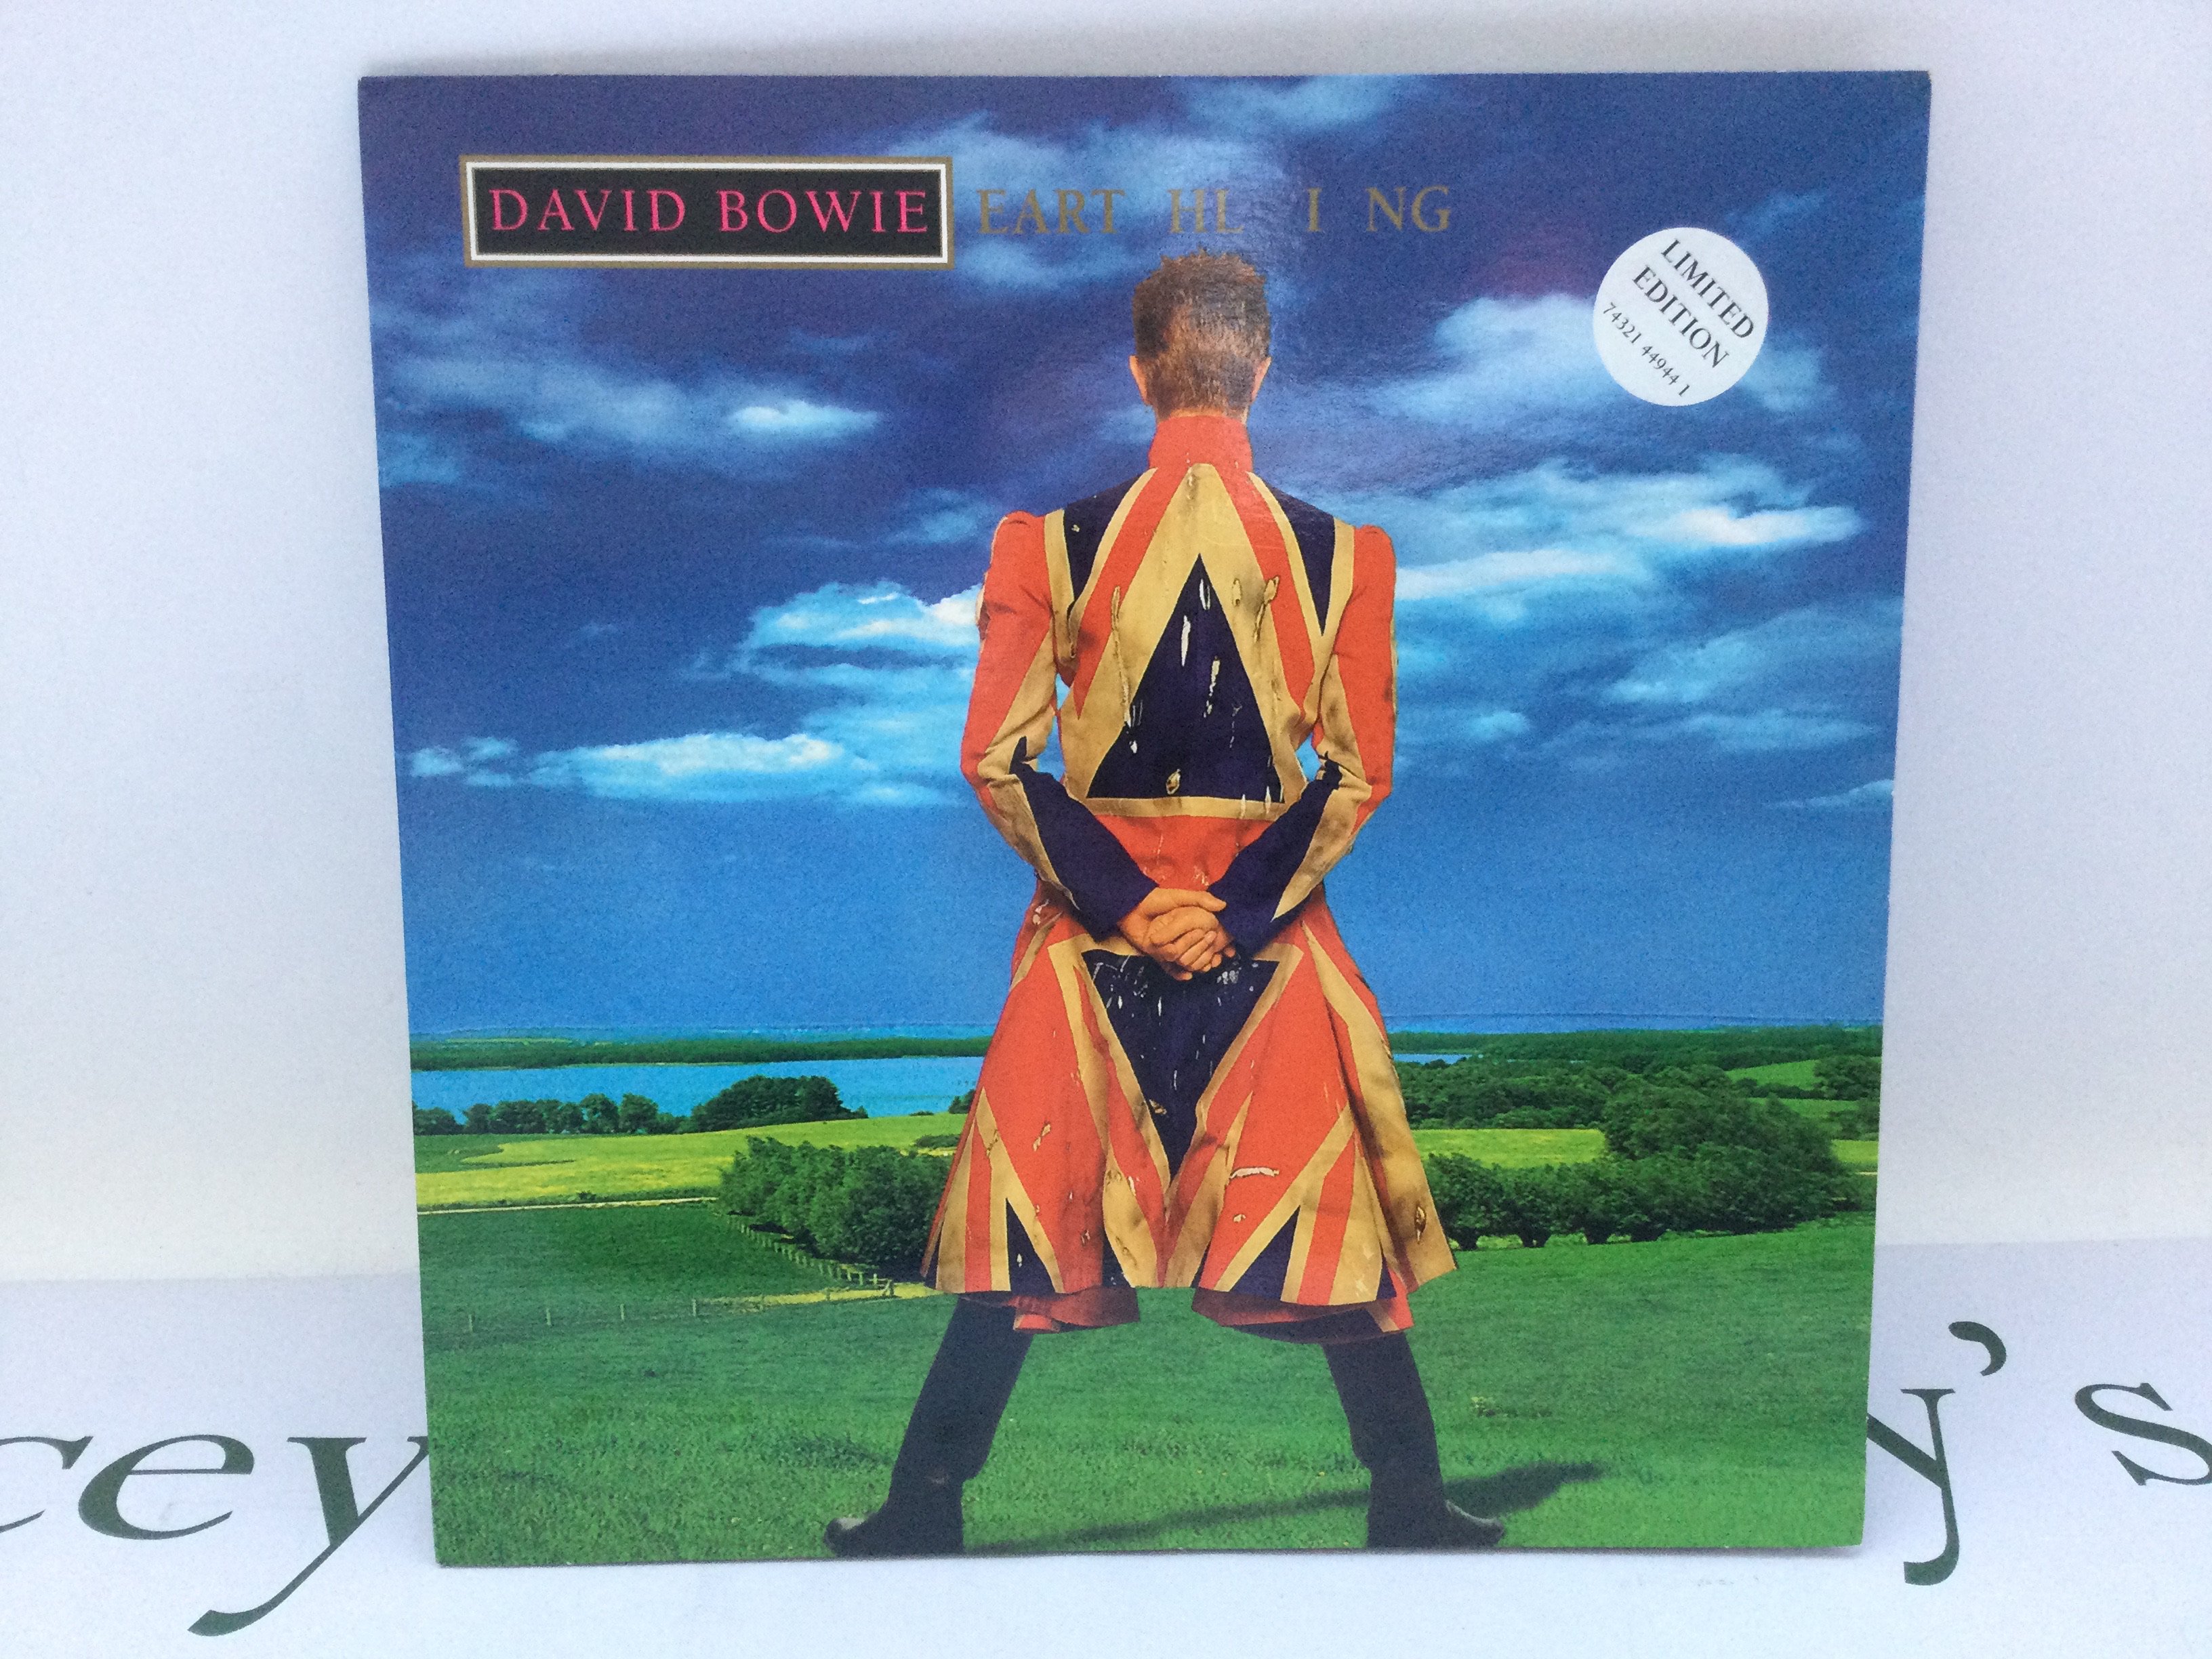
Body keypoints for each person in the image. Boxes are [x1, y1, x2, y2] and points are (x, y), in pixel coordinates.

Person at [826, 250, 1500, 1556]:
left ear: (1140, 373)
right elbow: (1360, 772)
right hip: (1271, 942)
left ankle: (922, 1513)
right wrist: (1231, 912)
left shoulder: (1042, 546)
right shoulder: (1349, 556)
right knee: (1337, 1235)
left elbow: (995, 759)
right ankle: (1410, 1505)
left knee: (1025, 1235)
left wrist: (1132, 906)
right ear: (1263, 372)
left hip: (1087, 945)